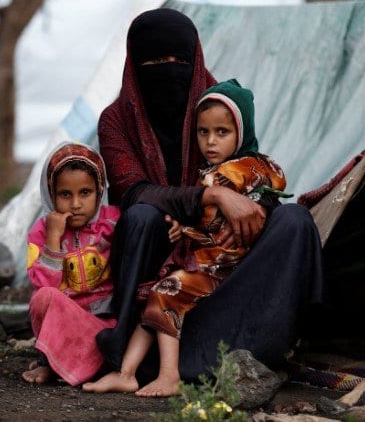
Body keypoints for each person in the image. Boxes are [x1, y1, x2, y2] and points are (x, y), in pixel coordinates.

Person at [93, 7, 324, 389]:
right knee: (143, 216)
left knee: (294, 220)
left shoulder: (216, 103)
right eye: (153, 61)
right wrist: (210, 196)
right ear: (134, 66)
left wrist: (254, 215)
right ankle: (138, 360)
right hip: (159, 259)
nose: (167, 70)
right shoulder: (116, 119)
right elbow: (132, 191)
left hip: (223, 262)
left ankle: (262, 340)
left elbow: (251, 171)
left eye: (177, 61)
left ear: (194, 60)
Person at [85, 79, 291, 396]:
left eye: (222, 133)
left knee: (164, 295)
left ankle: (169, 375)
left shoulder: (226, 174)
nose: (210, 142)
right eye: (202, 132)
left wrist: (190, 225)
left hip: (220, 265)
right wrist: (183, 229)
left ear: (241, 131)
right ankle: (125, 372)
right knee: (152, 300)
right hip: (206, 259)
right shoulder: (254, 167)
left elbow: (216, 223)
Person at [21, 141, 120, 387]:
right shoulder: (41, 232)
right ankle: (53, 362)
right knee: (42, 298)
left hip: (103, 324)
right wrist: (53, 239)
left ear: (99, 190)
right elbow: (44, 285)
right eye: (65, 194)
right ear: (51, 194)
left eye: (85, 193)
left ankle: (64, 366)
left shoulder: (114, 222)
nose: (75, 204)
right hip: (62, 325)